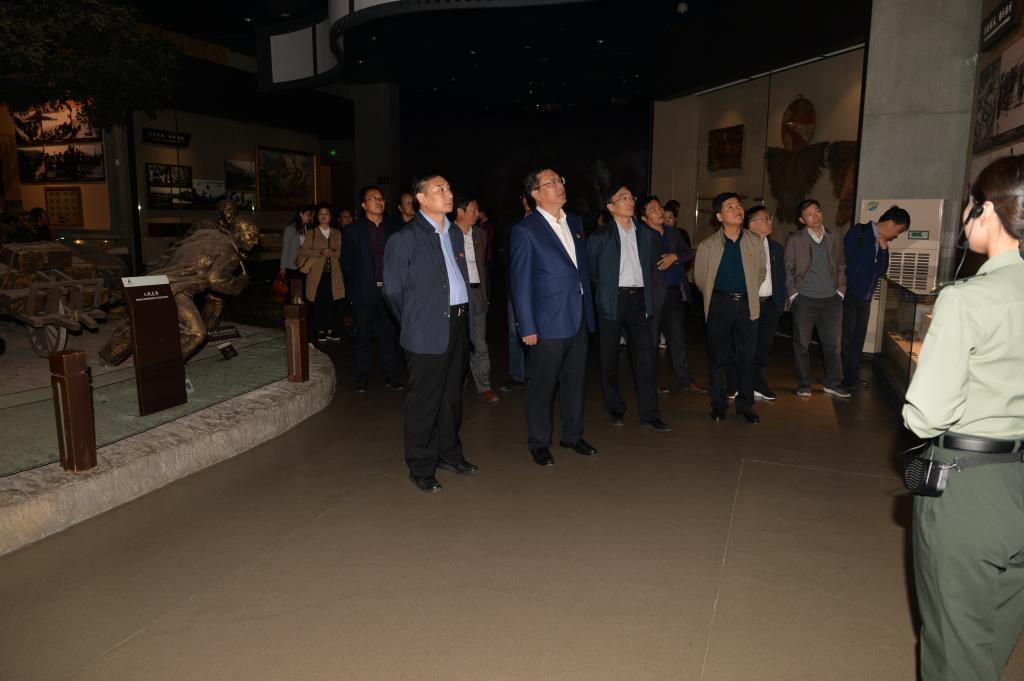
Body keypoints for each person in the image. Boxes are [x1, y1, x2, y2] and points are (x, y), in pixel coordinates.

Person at [903, 155, 1024, 681]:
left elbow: (927, 415)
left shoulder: (968, 299)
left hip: (971, 489)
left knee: (955, 650)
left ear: (988, 211)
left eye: (971, 206)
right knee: (991, 643)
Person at [383, 174, 479, 493]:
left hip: (458, 322)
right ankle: (421, 465)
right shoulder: (405, 238)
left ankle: (449, 454)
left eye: (449, 188)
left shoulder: (454, 233)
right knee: (424, 402)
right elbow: (392, 292)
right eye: (439, 189)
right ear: (421, 199)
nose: (448, 193)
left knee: (451, 397)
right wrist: (413, 321)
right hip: (426, 327)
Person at [510, 168, 598, 466]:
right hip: (547, 322)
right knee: (542, 386)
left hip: (578, 316)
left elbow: (580, 270)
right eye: (551, 182)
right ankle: (539, 442)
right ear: (535, 193)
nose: (559, 185)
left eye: (560, 180)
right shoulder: (526, 230)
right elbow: (520, 283)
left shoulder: (574, 222)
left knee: (575, 382)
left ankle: (573, 435)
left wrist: (589, 313)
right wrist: (527, 326)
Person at [588, 187, 669, 432]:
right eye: (622, 198)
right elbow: (593, 273)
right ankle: (615, 408)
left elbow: (653, 269)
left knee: (646, 359)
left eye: (630, 197)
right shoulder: (600, 237)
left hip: (639, 302)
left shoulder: (646, 234)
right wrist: (603, 298)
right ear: (610, 206)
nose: (629, 201)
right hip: (612, 301)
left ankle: (650, 415)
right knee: (609, 359)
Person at [693, 192, 765, 424]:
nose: (737, 209)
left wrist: (748, 292)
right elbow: (700, 279)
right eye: (730, 206)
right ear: (719, 216)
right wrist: (718, 297)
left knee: (747, 357)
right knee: (718, 357)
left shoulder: (755, 241)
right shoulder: (708, 245)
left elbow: (761, 272)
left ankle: (746, 405)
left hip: (746, 304)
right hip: (719, 305)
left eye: (739, 205)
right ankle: (718, 404)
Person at [784, 199, 850, 398]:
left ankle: (833, 382)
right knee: (801, 344)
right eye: (810, 214)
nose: (815, 216)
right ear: (802, 220)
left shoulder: (834, 236)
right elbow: (788, 268)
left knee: (833, 344)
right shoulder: (795, 239)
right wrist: (794, 294)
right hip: (805, 299)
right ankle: (804, 383)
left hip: (832, 299)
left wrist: (840, 290)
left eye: (817, 211)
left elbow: (842, 265)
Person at [841, 205, 910, 390]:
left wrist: (884, 250)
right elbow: (845, 261)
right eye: (899, 230)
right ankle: (843, 376)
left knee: (858, 338)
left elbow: (881, 271)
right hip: (850, 293)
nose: (896, 235)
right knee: (847, 337)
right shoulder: (859, 232)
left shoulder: (881, 241)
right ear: (891, 223)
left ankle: (852, 375)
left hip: (866, 296)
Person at [641, 195, 705, 396]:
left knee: (678, 338)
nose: (659, 211)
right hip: (653, 294)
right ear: (644, 218)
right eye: (652, 210)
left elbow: (689, 253)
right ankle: (650, 383)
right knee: (651, 341)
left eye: (659, 208)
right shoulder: (642, 235)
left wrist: (674, 256)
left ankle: (685, 381)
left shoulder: (673, 232)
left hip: (675, 293)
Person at [342, 186, 402, 392]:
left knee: (389, 336)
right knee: (363, 336)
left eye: (381, 198)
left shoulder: (394, 227)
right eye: (373, 198)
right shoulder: (353, 230)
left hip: (389, 291)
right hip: (363, 291)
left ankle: (390, 375)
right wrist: (357, 286)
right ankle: (362, 376)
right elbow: (347, 263)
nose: (379, 201)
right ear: (363, 204)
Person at [732, 205, 786, 400]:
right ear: (752, 224)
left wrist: (779, 303)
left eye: (770, 218)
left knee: (763, 348)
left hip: (770, 304)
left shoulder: (776, 248)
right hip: (747, 304)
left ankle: (759, 385)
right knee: (743, 347)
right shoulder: (740, 245)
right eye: (765, 218)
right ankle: (736, 385)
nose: (770, 221)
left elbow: (781, 277)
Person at [453, 196, 499, 402]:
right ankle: (455, 382)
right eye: (472, 210)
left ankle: (484, 386)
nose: (477, 214)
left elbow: (482, 267)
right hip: (456, 297)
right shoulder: (447, 233)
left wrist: (484, 295)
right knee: (457, 343)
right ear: (460, 211)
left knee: (479, 341)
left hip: (477, 293)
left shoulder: (480, 234)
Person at [298, 202, 344, 343]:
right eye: (321, 214)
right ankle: (319, 329)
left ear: (331, 217)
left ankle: (329, 328)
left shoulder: (337, 233)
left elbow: (341, 252)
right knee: (318, 302)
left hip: (333, 274)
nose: (323, 216)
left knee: (331, 301)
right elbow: (304, 251)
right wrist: (320, 252)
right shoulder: (312, 233)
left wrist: (333, 252)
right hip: (316, 274)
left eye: (326, 214)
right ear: (317, 217)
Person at [502, 194, 532, 392]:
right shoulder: (514, 225)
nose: (526, 200)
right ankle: (517, 375)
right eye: (523, 197)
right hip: (515, 289)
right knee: (515, 333)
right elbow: (508, 259)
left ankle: (540, 375)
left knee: (541, 335)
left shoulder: (547, 223)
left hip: (540, 290)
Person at [279, 204, 314, 295]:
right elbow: (285, 249)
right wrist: (282, 268)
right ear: (301, 214)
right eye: (308, 214)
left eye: (310, 215)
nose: (310, 217)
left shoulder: (309, 229)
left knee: (304, 292)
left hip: (306, 265)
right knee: (295, 293)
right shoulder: (290, 228)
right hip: (293, 266)